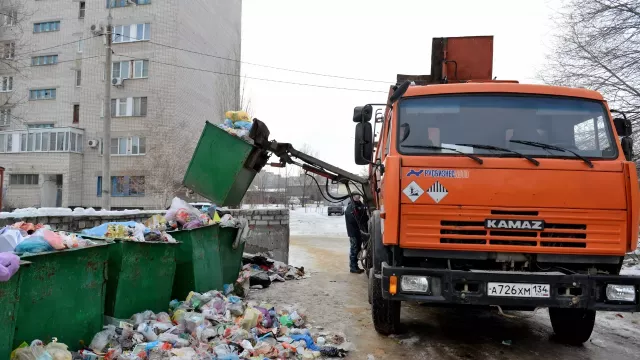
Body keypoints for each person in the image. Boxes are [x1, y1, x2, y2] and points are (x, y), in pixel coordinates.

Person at [344, 194, 369, 274]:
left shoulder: (360, 205)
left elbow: (364, 216)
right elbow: (352, 220)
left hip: (359, 232)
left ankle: (355, 266)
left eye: (358, 196)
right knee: (354, 249)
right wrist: (360, 220)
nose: (357, 197)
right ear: (352, 197)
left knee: (358, 249)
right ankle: (353, 267)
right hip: (353, 232)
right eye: (355, 196)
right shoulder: (350, 207)